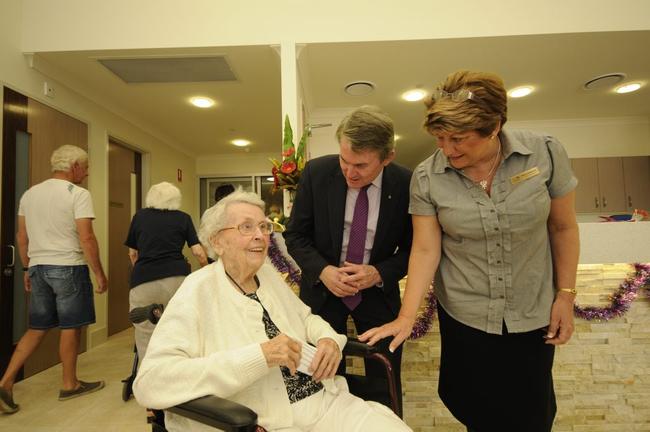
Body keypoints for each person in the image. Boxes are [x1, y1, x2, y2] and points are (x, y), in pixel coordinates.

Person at [359, 71, 580, 432]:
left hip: (531, 307)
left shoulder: (544, 153)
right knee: (472, 404)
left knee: (532, 412)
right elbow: (426, 249)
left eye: (458, 139)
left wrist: (566, 296)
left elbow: (563, 227)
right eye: (440, 138)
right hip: (466, 312)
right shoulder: (429, 176)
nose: (447, 149)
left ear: (493, 127)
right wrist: (406, 315)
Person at [132, 190, 411, 432]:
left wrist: (328, 339)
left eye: (264, 227)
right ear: (217, 241)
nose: (260, 236)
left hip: (323, 401)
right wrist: (259, 356)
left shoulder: (267, 276)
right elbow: (150, 382)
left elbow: (306, 318)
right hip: (266, 418)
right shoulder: (197, 290)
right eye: (246, 227)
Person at [284, 105, 413, 413]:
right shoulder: (317, 173)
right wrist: (324, 271)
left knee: (384, 379)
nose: (350, 172)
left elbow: (416, 249)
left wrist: (378, 272)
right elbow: (295, 236)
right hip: (322, 294)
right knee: (321, 380)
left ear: (387, 157)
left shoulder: (407, 183)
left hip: (378, 297)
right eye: (344, 160)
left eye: (361, 165)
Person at [0, 145, 108, 414]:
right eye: (85, 167)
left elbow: (21, 237)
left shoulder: (30, 194)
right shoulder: (79, 194)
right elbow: (87, 238)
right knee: (71, 326)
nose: (86, 172)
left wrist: (27, 269)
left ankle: (5, 382)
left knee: (37, 327)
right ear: (74, 167)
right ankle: (69, 384)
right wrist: (98, 272)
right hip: (68, 266)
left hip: (38, 267)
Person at [125, 181, 207, 361]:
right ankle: (180, 373)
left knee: (146, 331)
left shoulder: (140, 216)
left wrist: (140, 270)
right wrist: (209, 272)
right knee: (181, 327)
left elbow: (133, 253)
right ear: (176, 199)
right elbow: (198, 252)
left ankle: (149, 378)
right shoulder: (183, 218)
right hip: (177, 279)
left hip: (144, 280)